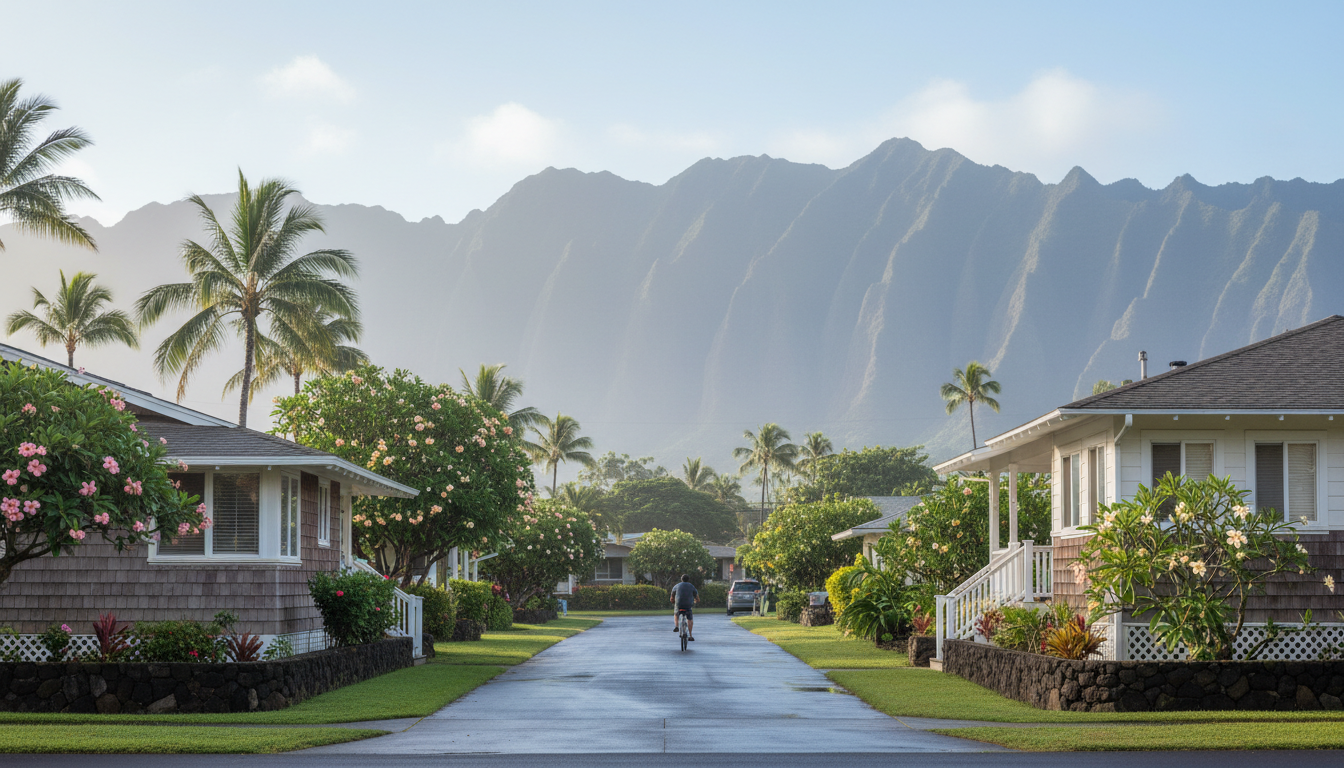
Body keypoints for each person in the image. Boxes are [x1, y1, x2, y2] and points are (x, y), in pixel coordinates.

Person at [670, 574, 698, 641]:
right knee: (690, 619)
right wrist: (696, 601)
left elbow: (671, 598)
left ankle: (676, 626)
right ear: (688, 579)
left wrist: (674, 602)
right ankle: (690, 635)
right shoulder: (692, 586)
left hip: (679, 605)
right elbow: (697, 598)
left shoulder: (676, 586)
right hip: (688, 605)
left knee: (676, 613)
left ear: (681, 579)